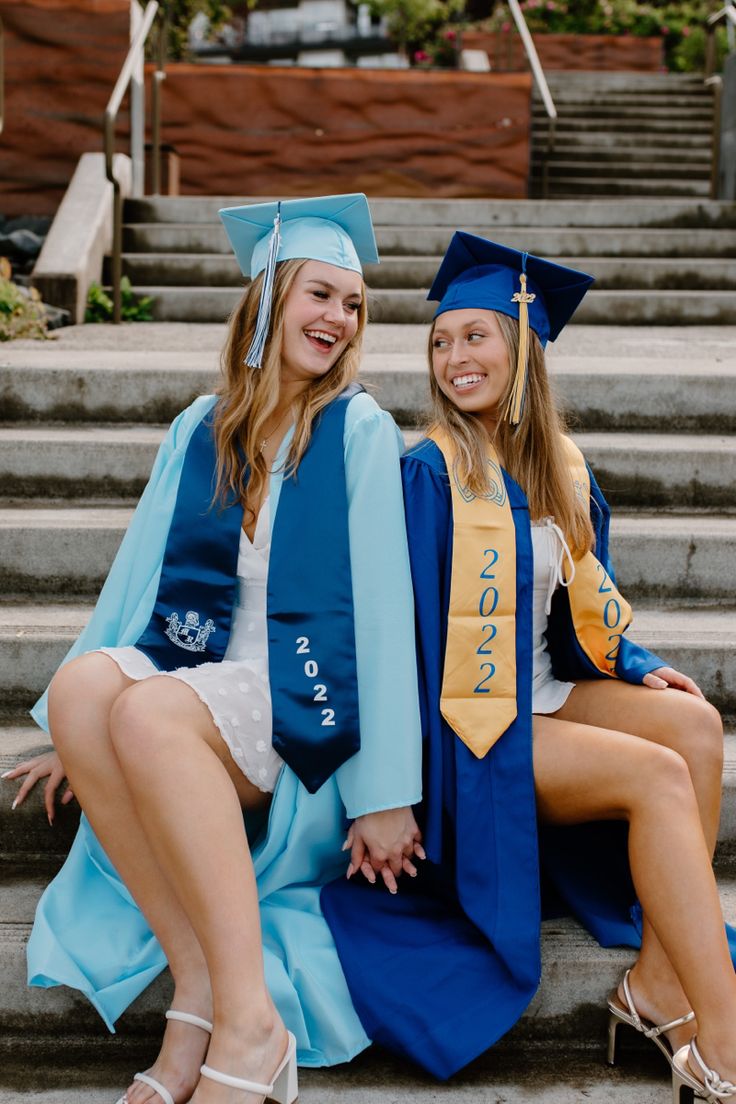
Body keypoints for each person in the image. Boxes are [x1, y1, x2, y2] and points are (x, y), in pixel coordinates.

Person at [2, 194, 424, 1104]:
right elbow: (138, 579)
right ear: (268, 299)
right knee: (84, 691)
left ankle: (249, 1018)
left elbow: (387, 614)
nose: (338, 319)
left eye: (353, 305)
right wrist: (76, 737)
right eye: (320, 294)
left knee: (149, 709)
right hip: (197, 667)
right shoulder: (203, 425)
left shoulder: (357, 431)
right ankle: (195, 984)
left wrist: (386, 792)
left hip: (299, 693)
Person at [322, 233, 736, 1101]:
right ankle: (726, 1041)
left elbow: (579, 612)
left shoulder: (559, 469)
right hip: (468, 726)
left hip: (540, 692)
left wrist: (639, 663)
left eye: (476, 336)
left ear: (524, 347)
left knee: (694, 724)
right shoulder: (429, 474)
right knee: (660, 778)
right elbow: (388, 634)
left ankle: (657, 986)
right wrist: (381, 787)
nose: (453, 358)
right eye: (441, 340)